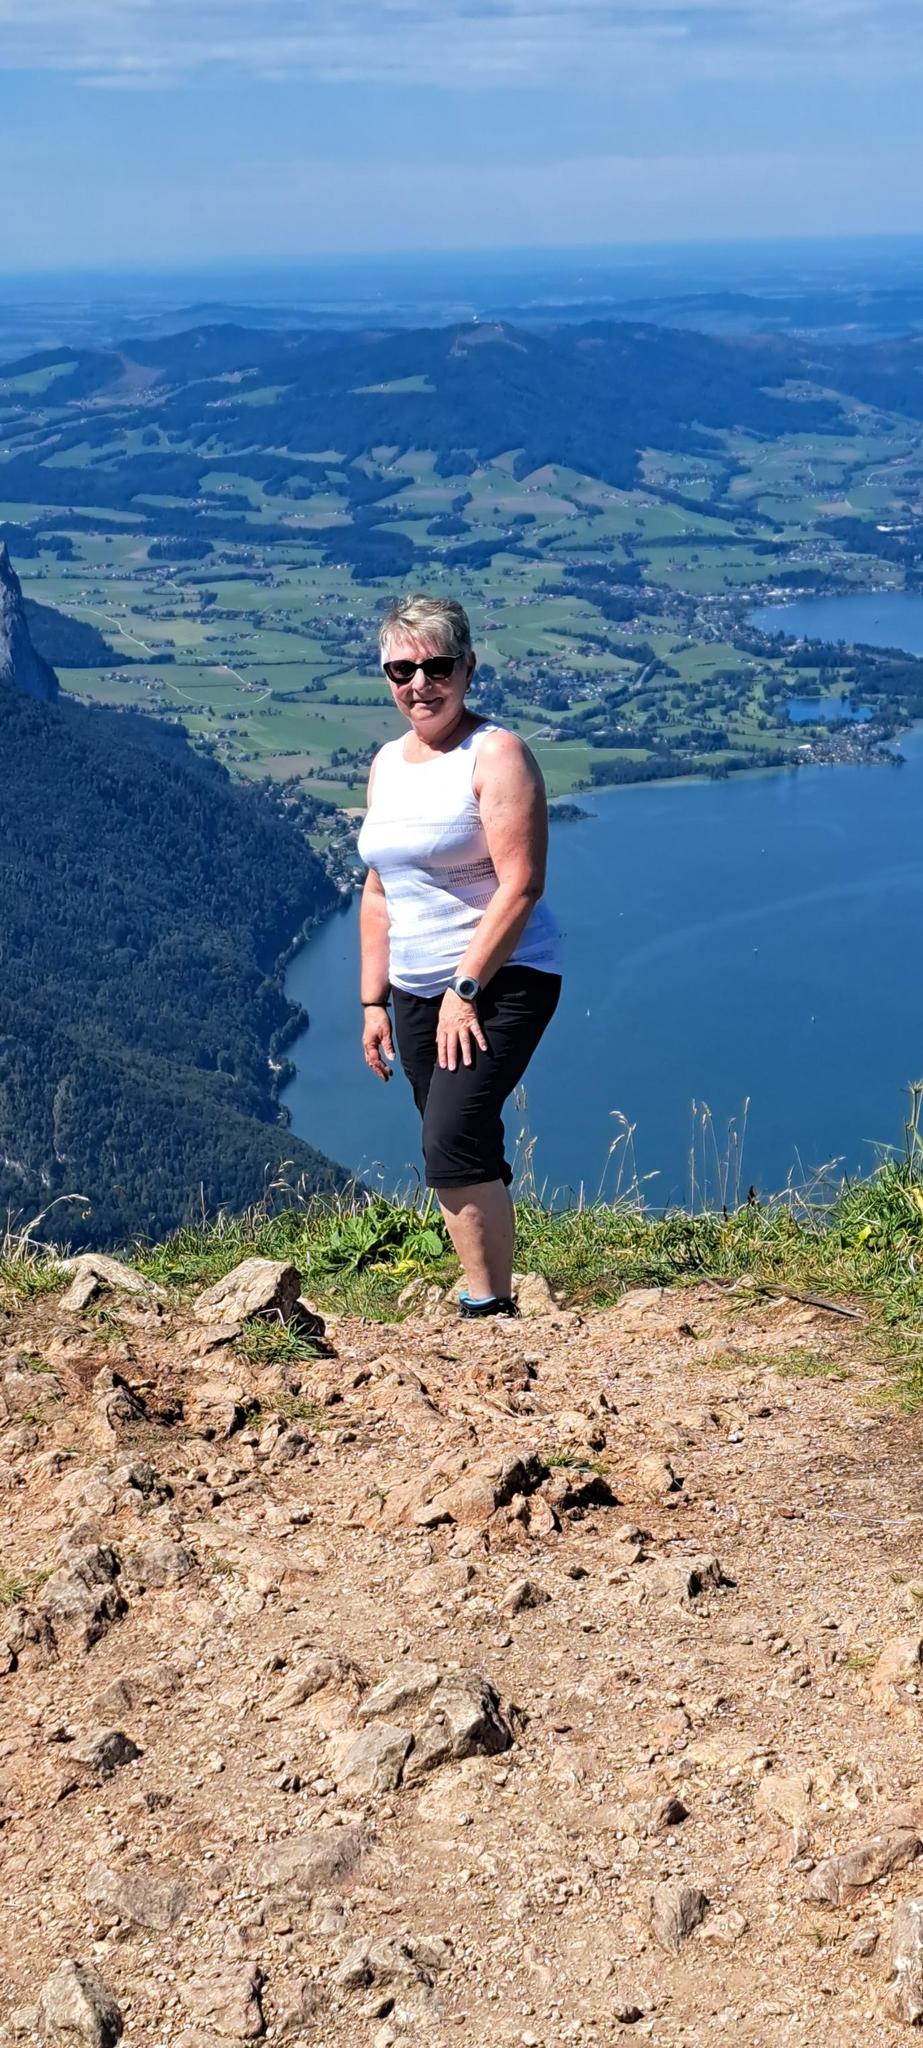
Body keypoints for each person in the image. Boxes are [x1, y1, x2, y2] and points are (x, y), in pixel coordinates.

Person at [357, 593, 561, 1318]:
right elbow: (378, 891)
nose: (420, 684)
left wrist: (465, 988)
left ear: (468, 668)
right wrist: (372, 1001)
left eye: (437, 667)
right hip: (415, 989)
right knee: (457, 1137)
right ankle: (494, 1291)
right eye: (401, 670)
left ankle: (487, 1307)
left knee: (450, 1139)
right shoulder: (387, 763)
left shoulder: (495, 754)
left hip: (501, 978)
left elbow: (521, 883)